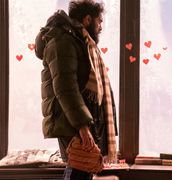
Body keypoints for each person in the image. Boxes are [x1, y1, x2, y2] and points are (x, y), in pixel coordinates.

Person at [35, 0, 117, 179]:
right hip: (73, 122)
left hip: (79, 120)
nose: (101, 26)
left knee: (82, 169)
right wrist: (82, 125)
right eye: (99, 21)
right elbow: (66, 88)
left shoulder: (80, 41)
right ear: (88, 19)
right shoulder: (64, 40)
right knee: (80, 169)